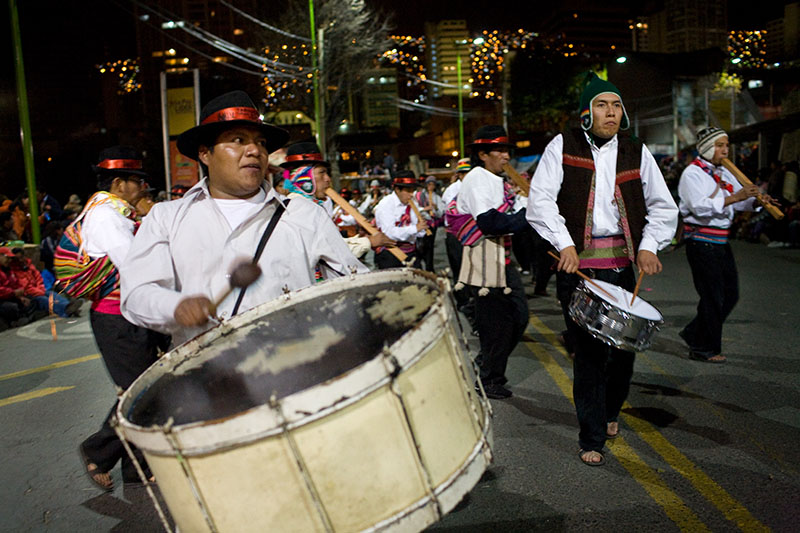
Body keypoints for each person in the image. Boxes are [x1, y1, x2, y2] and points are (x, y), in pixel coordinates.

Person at [120, 90, 367, 347]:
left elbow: (352, 285)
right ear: (205, 153)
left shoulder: (304, 214)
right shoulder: (166, 218)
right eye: (238, 140)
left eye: (260, 142)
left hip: (297, 366)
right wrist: (176, 307)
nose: (254, 151)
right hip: (208, 375)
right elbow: (137, 294)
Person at [527, 74, 678, 466]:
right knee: (590, 355)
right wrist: (563, 243)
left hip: (624, 267)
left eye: (615, 106)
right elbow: (540, 201)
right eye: (601, 105)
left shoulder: (637, 151)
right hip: (580, 270)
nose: (610, 112)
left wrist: (647, 247)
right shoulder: (563, 145)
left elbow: (663, 206)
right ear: (585, 112)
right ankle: (591, 436)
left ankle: (611, 411)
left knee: (623, 353)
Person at [58, 146, 171, 490]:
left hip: (128, 315)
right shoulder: (106, 216)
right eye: (138, 182)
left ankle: (136, 470)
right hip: (118, 320)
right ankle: (98, 449)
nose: (143, 190)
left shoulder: (115, 213)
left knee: (145, 390)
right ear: (120, 183)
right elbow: (134, 265)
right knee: (141, 394)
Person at [678, 127, 775, 363]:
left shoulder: (724, 172)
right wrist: (736, 197)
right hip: (701, 241)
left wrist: (758, 202)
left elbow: (739, 202)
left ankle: (694, 333)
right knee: (713, 296)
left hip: (721, 241)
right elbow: (699, 206)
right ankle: (705, 348)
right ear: (708, 148)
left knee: (731, 294)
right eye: (720, 146)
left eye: (726, 145)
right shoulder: (692, 174)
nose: (725, 150)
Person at [456, 126, 530, 399]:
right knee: (496, 323)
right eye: (498, 150)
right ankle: (488, 377)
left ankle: (486, 366)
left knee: (519, 317)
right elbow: (490, 222)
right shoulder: (477, 178)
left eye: (506, 150)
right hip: (485, 258)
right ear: (482, 154)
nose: (505, 156)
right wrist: (527, 215)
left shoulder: (497, 179)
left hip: (502, 256)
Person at [280, 141, 394, 261]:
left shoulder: (308, 204)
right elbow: (327, 250)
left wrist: (357, 238)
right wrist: (369, 242)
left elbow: (329, 241)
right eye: (322, 173)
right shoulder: (300, 207)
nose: (328, 179)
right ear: (304, 177)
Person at [373, 171, 428, 269]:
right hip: (390, 254)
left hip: (411, 252)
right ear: (397, 189)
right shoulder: (386, 204)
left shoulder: (413, 204)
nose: (412, 195)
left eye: (413, 190)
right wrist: (415, 228)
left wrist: (422, 228)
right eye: (408, 191)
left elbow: (418, 232)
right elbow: (389, 233)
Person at [415, 176, 445, 272]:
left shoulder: (437, 198)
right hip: (421, 223)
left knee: (429, 247)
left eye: (433, 184)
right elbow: (415, 208)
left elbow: (440, 213)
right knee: (420, 246)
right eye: (429, 184)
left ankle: (429, 268)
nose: (431, 186)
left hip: (432, 225)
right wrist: (425, 209)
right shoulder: (419, 195)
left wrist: (435, 208)